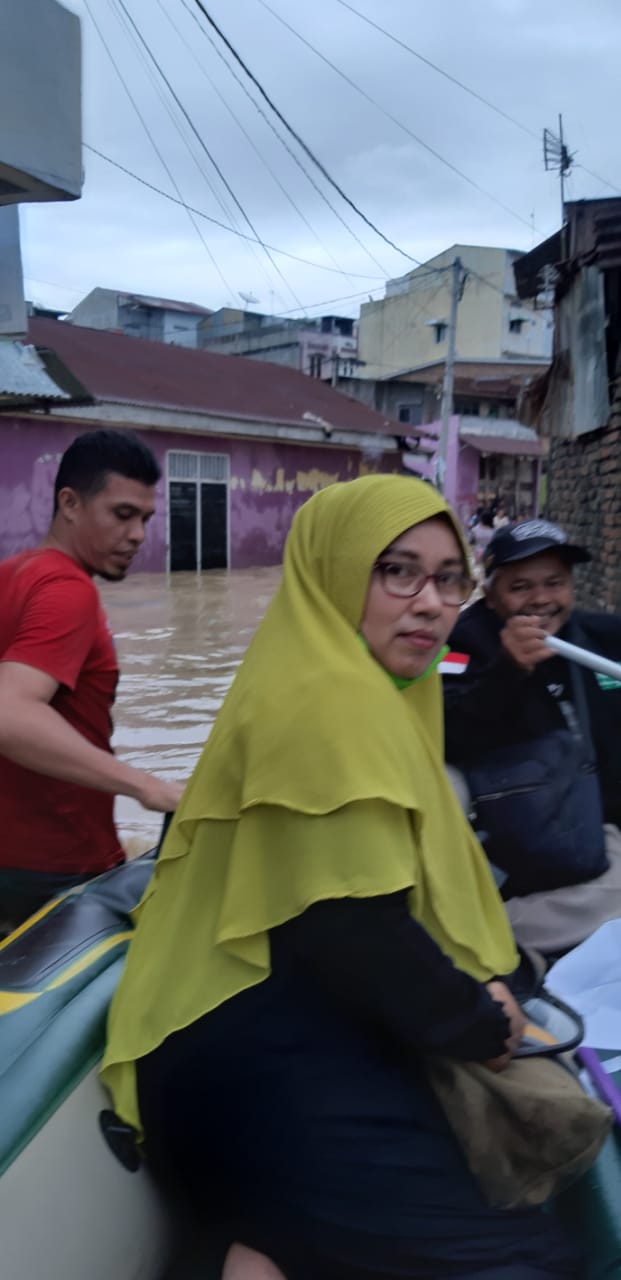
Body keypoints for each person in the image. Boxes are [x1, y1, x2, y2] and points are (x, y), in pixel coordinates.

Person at [102, 476, 580, 1280]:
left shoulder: (348, 687)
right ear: (330, 571)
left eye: (448, 578)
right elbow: (352, 926)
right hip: (257, 1066)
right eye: (395, 571)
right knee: (528, 1262)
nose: (429, 602)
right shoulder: (325, 699)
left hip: (269, 1030)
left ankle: (270, 1239)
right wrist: (480, 1021)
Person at [0, 429, 184, 926]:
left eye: (145, 519)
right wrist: (147, 787)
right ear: (70, 503)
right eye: (122, 514)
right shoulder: (69, 590)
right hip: (58, 869)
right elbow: (10, 713)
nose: (138, 535)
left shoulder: (11, 575)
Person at [443, 518, 621, 955]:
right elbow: (447, 732)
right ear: (490, 593)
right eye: (520, 587)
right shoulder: (460, 644)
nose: (541, 599)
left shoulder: (597, 636)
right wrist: (508, 671)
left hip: (600, 830)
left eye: (555, 583)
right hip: (521, 843)